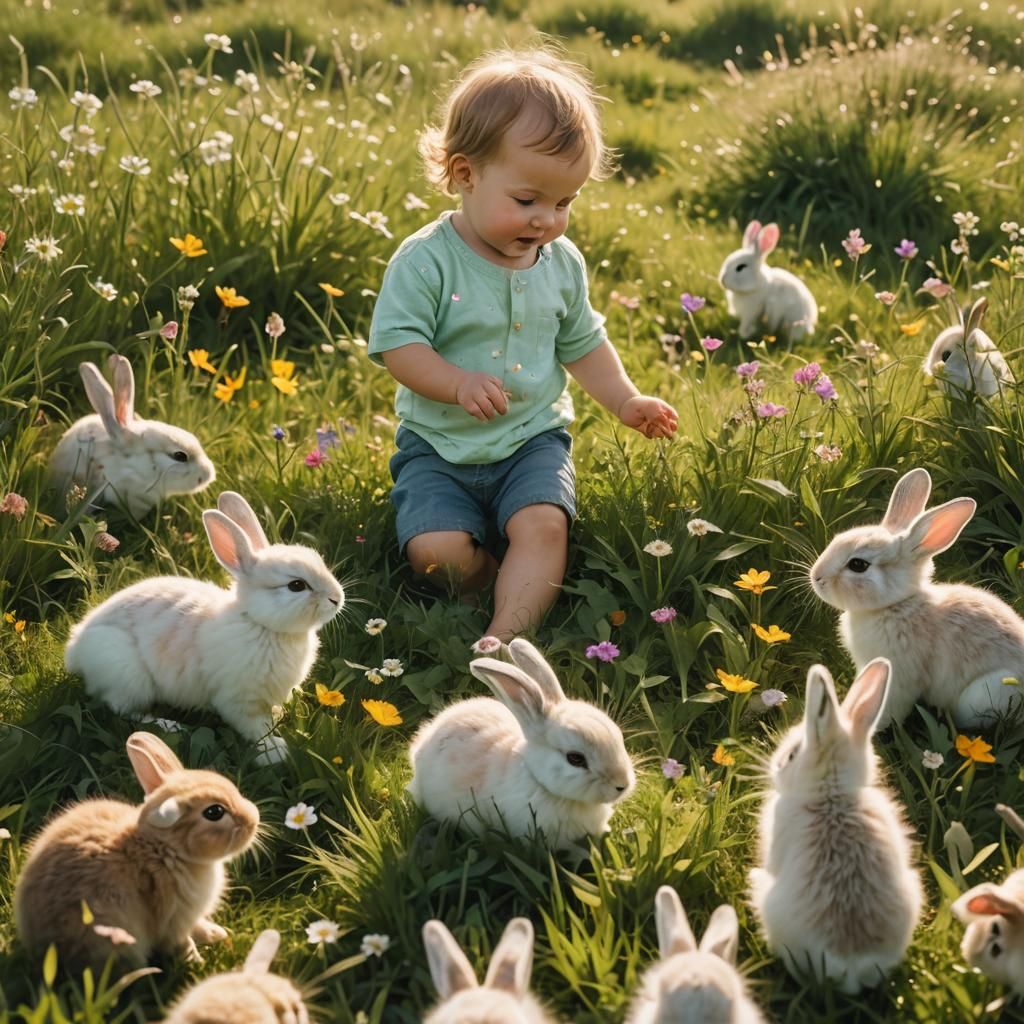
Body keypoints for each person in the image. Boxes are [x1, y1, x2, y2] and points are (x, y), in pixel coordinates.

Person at [368, 47, 677, 643]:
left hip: (532, 438)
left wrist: (625, 401)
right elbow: (398, 346)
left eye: (564, 203)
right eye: (528, 201)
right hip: (438, 444)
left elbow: (583, 344)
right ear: (465, 174)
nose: (547, 221)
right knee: (436, 555)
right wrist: (456, 383)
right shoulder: (427, 261)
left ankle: (506, 635)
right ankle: (490, 575)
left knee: (543, 524)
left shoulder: (560, 263)